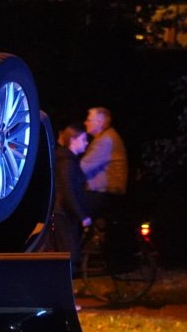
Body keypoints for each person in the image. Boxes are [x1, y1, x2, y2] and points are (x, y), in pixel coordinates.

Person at [50, 125, 92, 276]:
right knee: (69, 255)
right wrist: (82, 216)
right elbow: (68, 191)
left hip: (67, 214)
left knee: (68, 255)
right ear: (73, 140)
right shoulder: (66, 162)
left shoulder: (70, 161)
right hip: (63, 213)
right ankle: (63, 295)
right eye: (83, 139)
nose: (86, 143)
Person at [78, 106, 128, 229]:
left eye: (89, 120)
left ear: (99, 122)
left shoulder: (105, 140)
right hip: (105, 194)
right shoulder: (104, 137)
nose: (85, 122)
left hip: (103, 195)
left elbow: (82, 168)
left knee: (66, 210)